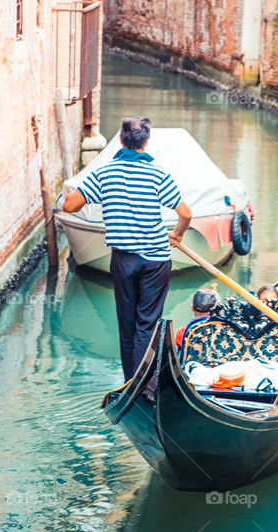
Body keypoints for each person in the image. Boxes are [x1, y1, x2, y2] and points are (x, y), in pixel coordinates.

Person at [61, 116, 192, 380]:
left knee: (127, 324)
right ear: (146, 143)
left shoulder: (104, 172)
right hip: (156, 260)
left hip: (124, 261)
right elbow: (186, 214)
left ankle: (131, 380)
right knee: (147, 324)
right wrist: (177, 234)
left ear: (121, 140)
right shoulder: (157, 173)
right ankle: (143, 383)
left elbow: (69, 206)